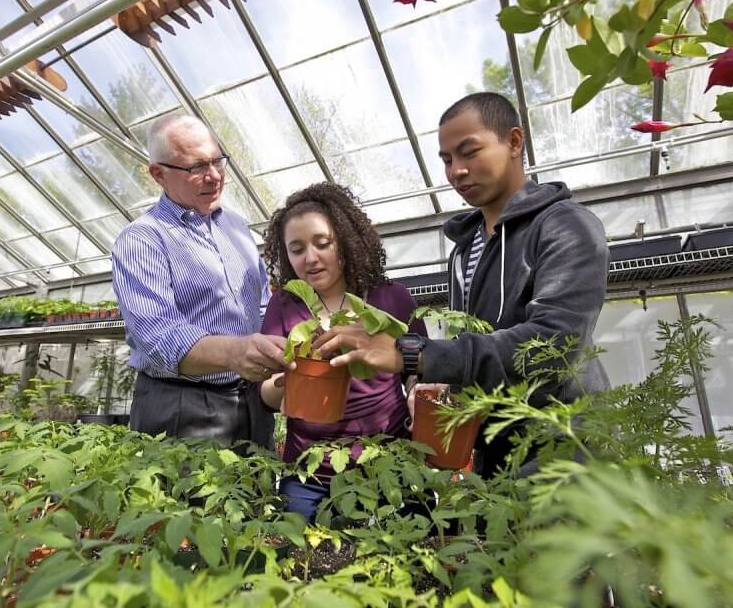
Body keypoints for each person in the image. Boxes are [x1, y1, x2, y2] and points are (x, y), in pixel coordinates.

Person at [315, 92, 610, 478]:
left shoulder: (564, 226)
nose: (456, 171)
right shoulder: (464, 250)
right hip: (494, 454)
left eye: (469, 152)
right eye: (447, 160)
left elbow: (553, 345)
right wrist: (435, 388)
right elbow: (477, 342)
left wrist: (413, 354)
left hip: (561, 448)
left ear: (515, 142)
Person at [111, 114, 286, 448]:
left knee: (253, 495)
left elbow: (261, 302)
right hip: (182, 406)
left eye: (218, 160)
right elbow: (159, 337)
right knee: (186, 498)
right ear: (158, 174)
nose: (214, 176)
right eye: (196, 167)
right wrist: (234, 352)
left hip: (250, 400)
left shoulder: (237, 228)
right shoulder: (142, 240)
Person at [258, 182, 426, 521]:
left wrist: (418, 393)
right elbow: (265, 390)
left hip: (387, 465)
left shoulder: (391, 298)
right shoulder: (284, 303)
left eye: (323, 244)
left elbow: (420, 369)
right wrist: (286, 381)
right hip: (308, 472)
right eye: (296, 249)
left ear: (345, 241)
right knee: (303, 562)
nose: (311, 258)